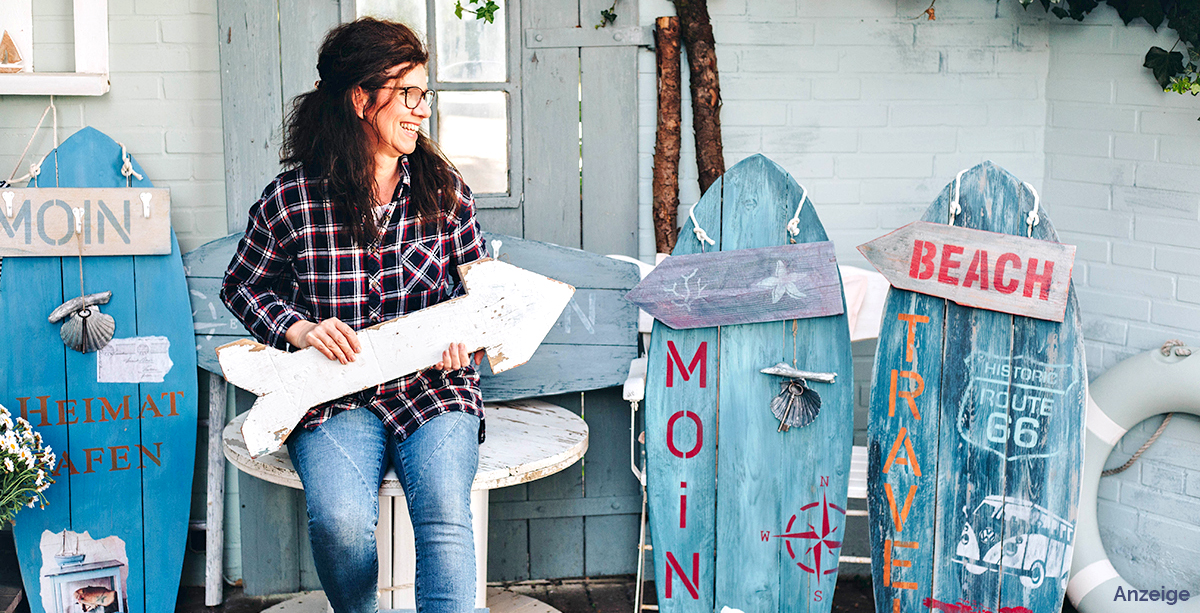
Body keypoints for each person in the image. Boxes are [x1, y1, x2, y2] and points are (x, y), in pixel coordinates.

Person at [221, 18, 487, 613]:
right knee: (341, 523)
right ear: (361, 99)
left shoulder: (445, 192)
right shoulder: (290, 199)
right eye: (409, 94)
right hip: (332, 394)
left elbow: (479, 296)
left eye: (426, 94)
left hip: (434, 391)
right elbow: (243, 286)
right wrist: (300, 328)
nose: (422, 110)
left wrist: (464, 339)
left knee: (445, 511)